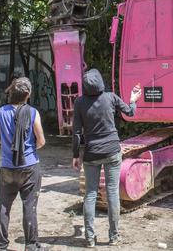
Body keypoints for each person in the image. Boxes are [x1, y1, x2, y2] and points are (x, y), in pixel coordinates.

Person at [72, 69, 142, 247]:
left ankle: (89, 239)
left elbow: (77, 133)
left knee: (91, 194)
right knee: (112, 192)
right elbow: (130, 112)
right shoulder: (110, 97)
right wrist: (133, 100)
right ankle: (114, 237)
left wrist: (75, 155)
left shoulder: (79, 102)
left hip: (91, 153)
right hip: (112, 151)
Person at [0, 77, 46, 251]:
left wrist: (8, 145)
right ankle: (31, 245)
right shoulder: (32, 112)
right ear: (27, 94)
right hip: (29, 166)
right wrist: (29, 149)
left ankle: (1, 245)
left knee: (4, 206)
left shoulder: (0, 112)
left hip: (7, 167)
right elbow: (41, 141)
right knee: (29, 206)